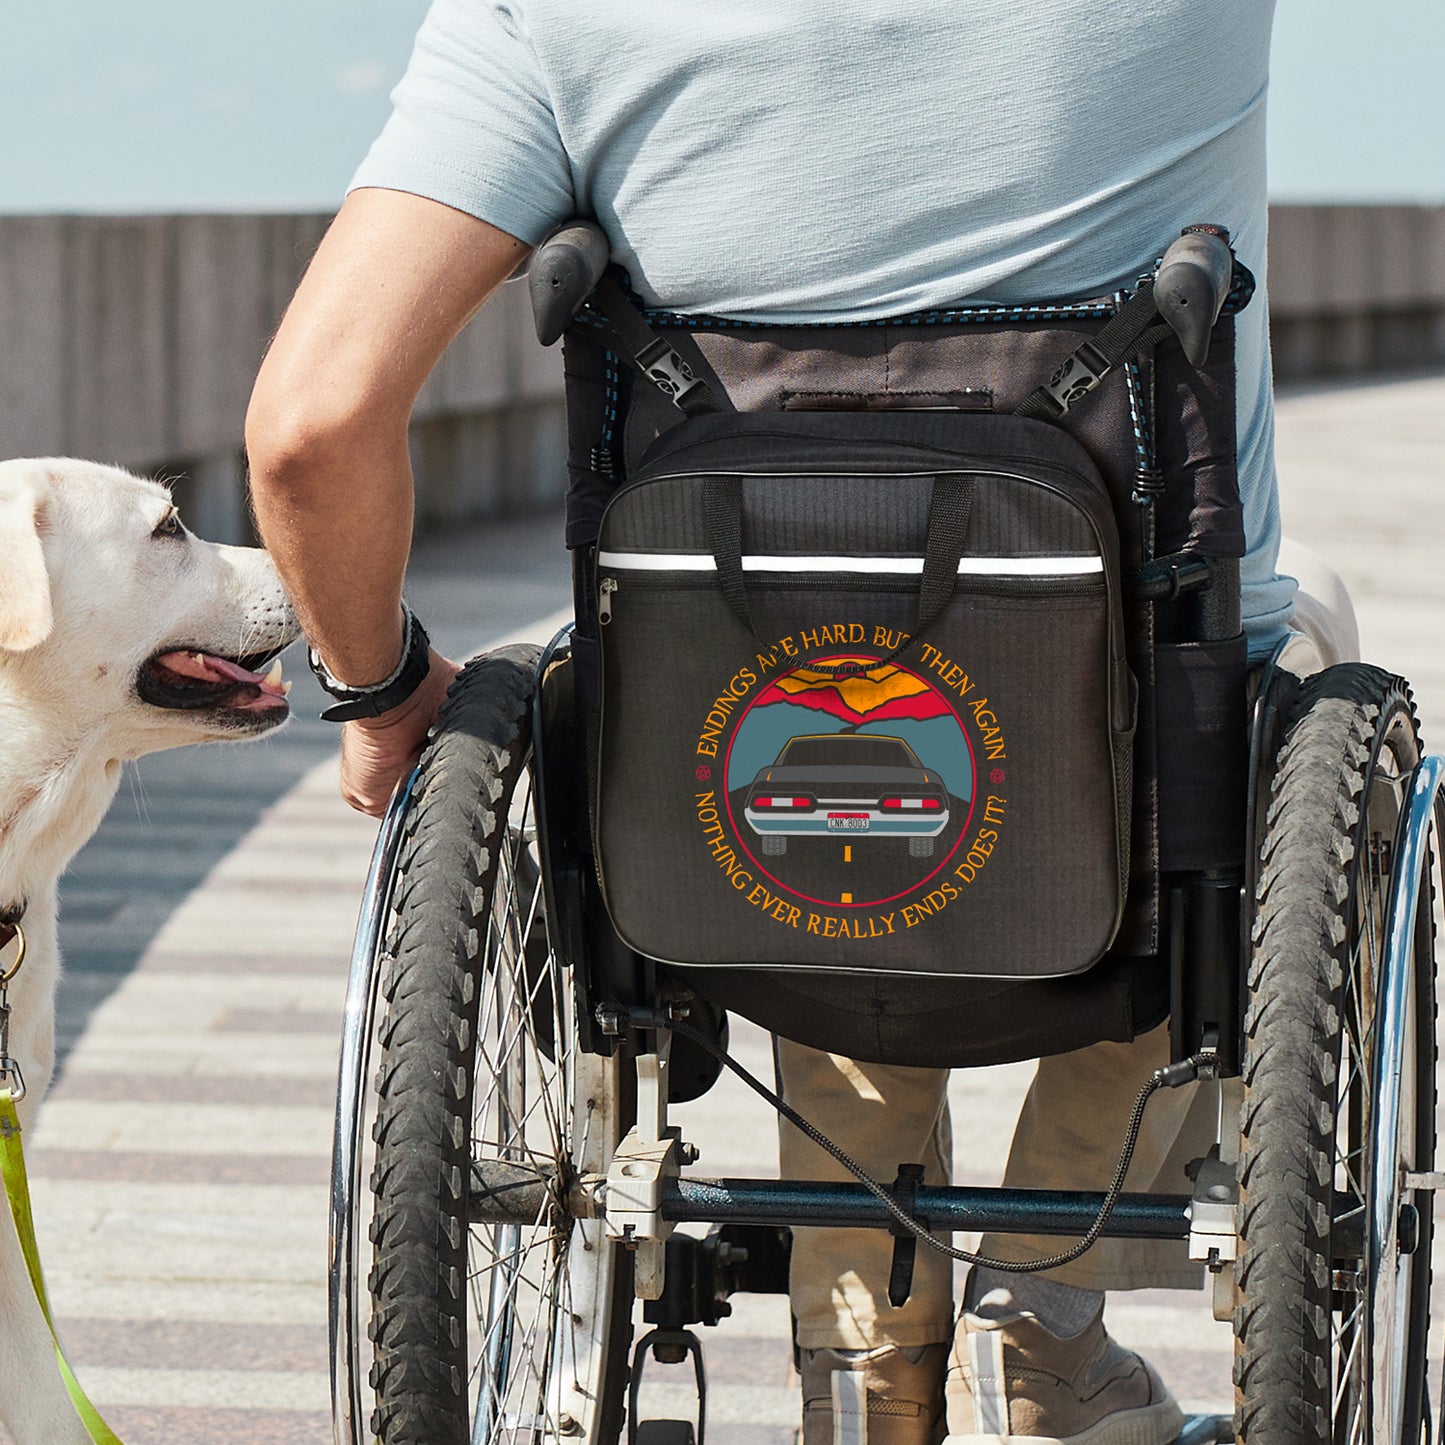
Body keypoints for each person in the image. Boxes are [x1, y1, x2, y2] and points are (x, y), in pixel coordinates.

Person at [245, 4, 1344, 1442]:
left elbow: (310, 427)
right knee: (1280, 670)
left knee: (806, 725)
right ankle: (1045, 1318)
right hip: (1137, 765)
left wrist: (384, 701)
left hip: (737, 794)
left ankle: (861, 1359)